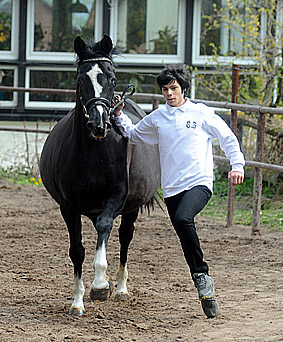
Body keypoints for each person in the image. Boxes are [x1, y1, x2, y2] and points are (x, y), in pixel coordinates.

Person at [112, 64, 245, 318]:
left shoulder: (201, 113)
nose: (170, 94)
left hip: (199, 183)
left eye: (174, 88)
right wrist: (119, 115)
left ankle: (202, 274)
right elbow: (134, 134)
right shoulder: (158, 118)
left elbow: (227, 137)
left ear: (183, 88)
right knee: (184, 234)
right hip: (171, 188)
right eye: (165, 89)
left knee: (184, 219)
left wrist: (236, 164)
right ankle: (202, 283)